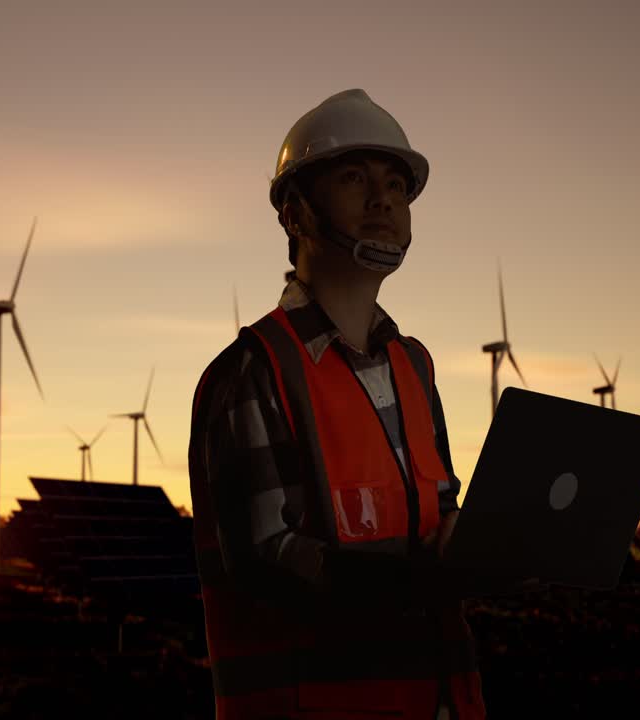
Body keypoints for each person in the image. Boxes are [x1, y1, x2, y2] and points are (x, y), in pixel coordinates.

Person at [188, 88, 485, 719]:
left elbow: (438, 512)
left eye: (398, 186)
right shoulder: (253, 370)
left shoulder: (416, 367)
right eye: (355, 179)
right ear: (295, 214)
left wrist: (479, 544)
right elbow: (269, 562)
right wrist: (422, 577)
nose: (383, 200)